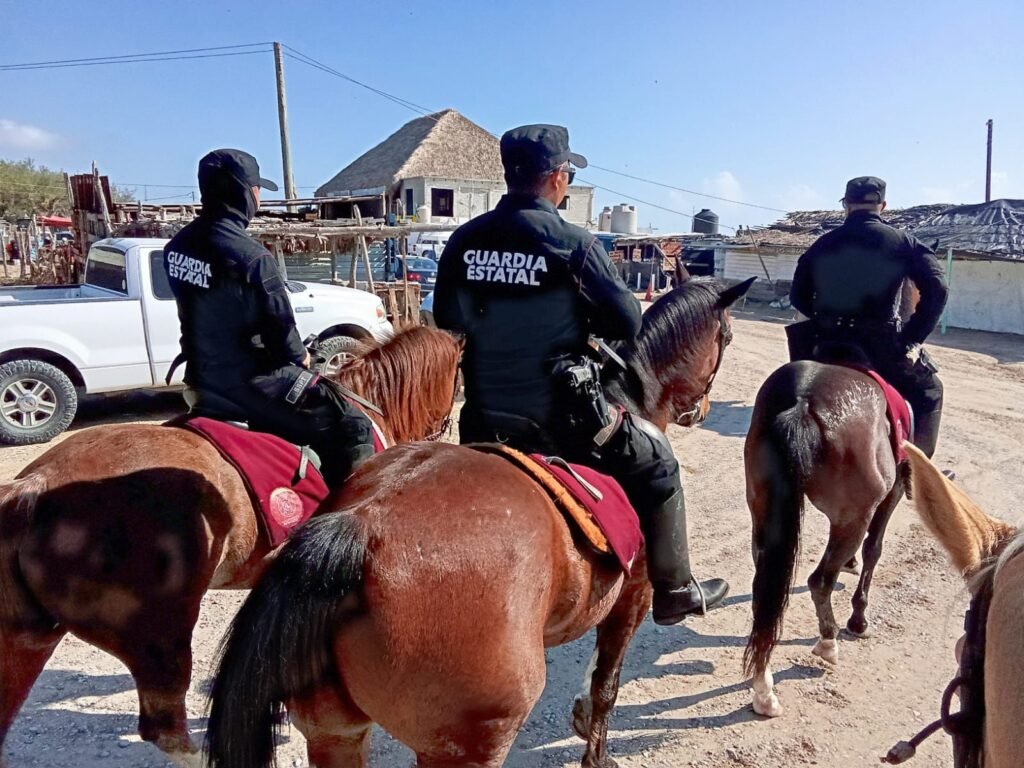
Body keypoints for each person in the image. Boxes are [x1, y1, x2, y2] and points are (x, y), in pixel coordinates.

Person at [433, 124, 729, 624]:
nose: (567, 181)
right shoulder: (575, 244)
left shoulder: (465, 239)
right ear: (554, 178)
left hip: (482, 417)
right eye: (567, 172)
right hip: (561, 422)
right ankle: (675, 589)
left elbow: (447, 318)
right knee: (658, 461)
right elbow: (629, 323)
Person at [164, 148, 374, 485]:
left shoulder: (177, 247)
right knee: (355, 425)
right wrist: (300, 355)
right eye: (256, 187)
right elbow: (280, 330)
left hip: (201, 376)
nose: (259, 195)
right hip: (253, 384)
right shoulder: (252, 258)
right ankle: (342, 524)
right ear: (242, 191)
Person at [787, 176, 949, 458]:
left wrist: (824, 318)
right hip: (881, 349)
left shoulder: (823, 244)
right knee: (930, 392)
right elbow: (938, 288)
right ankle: (917, 473)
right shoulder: (903, 242)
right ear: (883, 206)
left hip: (825, 345)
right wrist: (912, 338)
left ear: (845, 205)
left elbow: (798, 295)